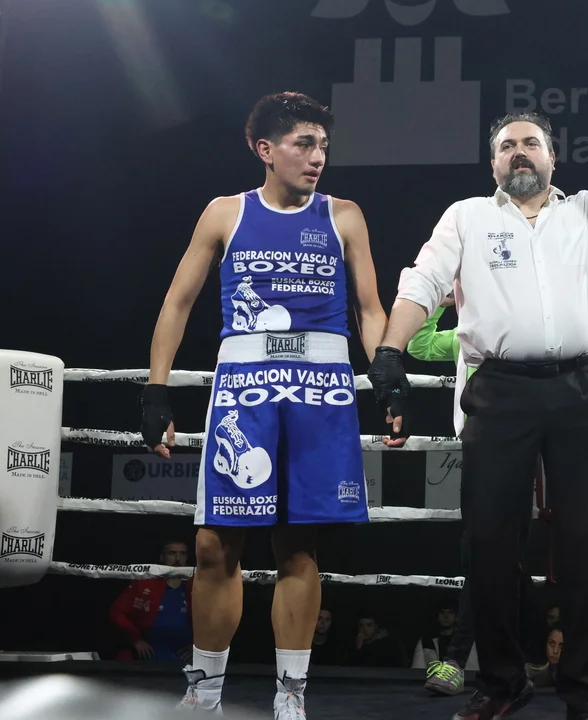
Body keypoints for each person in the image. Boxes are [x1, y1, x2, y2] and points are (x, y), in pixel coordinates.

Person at [367, 111, 588, 720]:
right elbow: (422, 281)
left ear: (552, 157)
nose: (519, 152)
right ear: (493, 164)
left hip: (582, 387)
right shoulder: (467, 217)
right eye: (507, 146)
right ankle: (502, 683)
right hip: (500, 389)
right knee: (488, 543)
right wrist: (389, 351)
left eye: (531, 143)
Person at [139, 91, 387, 719]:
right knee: (214, 546)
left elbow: (369, 309)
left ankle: (290, 694)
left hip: (321, 391)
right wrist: (156, 389)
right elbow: (177, 302)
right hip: (244, 390)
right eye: (305, 144)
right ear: (265, 149)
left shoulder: (344, 215)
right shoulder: (226, 213)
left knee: (298, 547)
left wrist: (388, 377)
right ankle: (205, 693)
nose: (318, 157)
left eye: (323, 146)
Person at [403, 295, 531, 699]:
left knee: (501, 557)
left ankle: (466, 660)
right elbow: (419, 345)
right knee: (484, 557)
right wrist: (439, 303)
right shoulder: (464, 337)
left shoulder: (523, 336)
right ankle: (496, 662)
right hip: (478, 453)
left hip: (521, 449)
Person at [109, 540, 193, 664]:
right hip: (149, 657)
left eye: (182, 554)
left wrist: (201, 647)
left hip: (185, 659)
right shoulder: (144, 583)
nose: (177, 558)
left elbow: (215, 620)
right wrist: (135, 640)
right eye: (172, 553)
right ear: (162, 557)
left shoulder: (198, 586)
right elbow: (116, 612)